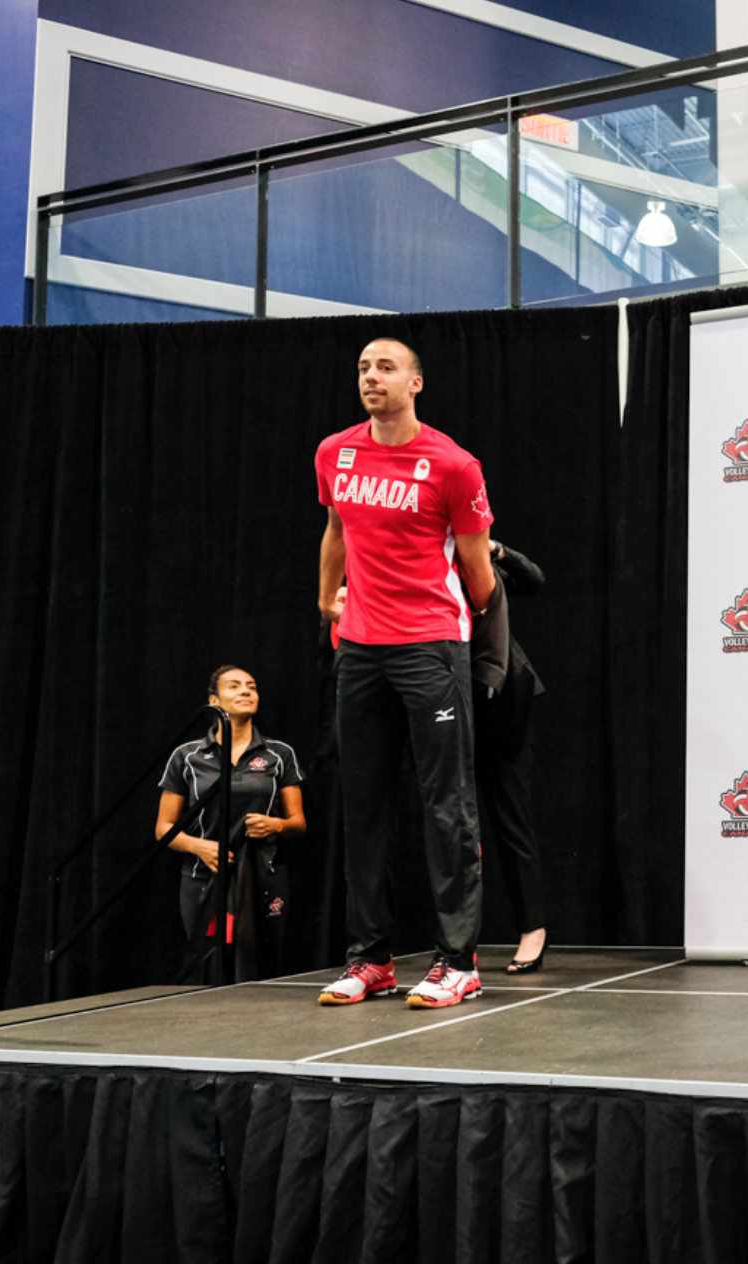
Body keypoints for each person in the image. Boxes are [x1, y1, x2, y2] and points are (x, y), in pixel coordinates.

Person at [314, 337, 498, 1008]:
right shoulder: (335, 452)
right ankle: (372, 960)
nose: (371, 377)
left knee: (446, 805)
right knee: (363, 806)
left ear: (415, 383)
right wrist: (325, 597)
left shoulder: (454, 465)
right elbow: (336, 530)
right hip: (359, 648)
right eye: (362, 367)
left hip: (429, 646)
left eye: (385, 368)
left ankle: (458, 961)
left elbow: (479, 572)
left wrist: (471, 631)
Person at [157, 665, 305, 980]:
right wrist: (199, 847)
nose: (245, 692)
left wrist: (276, 825)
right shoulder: (187, 756)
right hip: (204, 879)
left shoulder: (279, 754)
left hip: (265, 878)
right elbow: (163, 829)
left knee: (262, 969)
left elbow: (298, 822)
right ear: (214, 701)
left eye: (251, 686)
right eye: (234, 686)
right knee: (212, 967)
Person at [470, 538, 550, 973]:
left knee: (510, 818)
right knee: (451, 822)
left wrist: (494, 549)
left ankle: (532, 928)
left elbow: (534, 580)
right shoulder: (418, 564)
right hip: (443, 698)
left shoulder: (477, 559)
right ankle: (457, 940)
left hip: (503, 701)